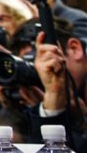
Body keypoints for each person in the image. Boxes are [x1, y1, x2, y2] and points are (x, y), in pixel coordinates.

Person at [27, 21, 87, 151]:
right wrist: (53, 99)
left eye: (47, 63)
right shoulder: (31, 100)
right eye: (34, 68)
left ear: (74, 49)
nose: (43, 75)